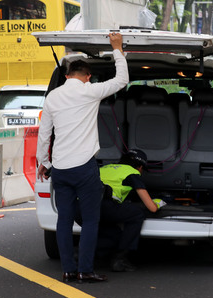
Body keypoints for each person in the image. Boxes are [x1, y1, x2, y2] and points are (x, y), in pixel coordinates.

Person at [36, 32, 129, 283]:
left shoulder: (52, 97)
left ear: (66, 77)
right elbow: (122, 79)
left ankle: (67, 269)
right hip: (85, 168)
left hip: (60, 169)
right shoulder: (91, 91)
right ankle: (85, 270)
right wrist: (116, 48)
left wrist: (44, 163)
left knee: (64, 220)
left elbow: (44, 133)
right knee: (90, 220)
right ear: (87, 77)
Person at [99, 149, 162, 272]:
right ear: (139, 166)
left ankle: (79, 253)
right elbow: (152, 208)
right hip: (104, 207)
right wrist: (158, 203)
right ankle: (120, 259)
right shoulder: (131, 173)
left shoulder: (105, 168)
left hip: (82, 208)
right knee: (137, 214)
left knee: (115, 235)